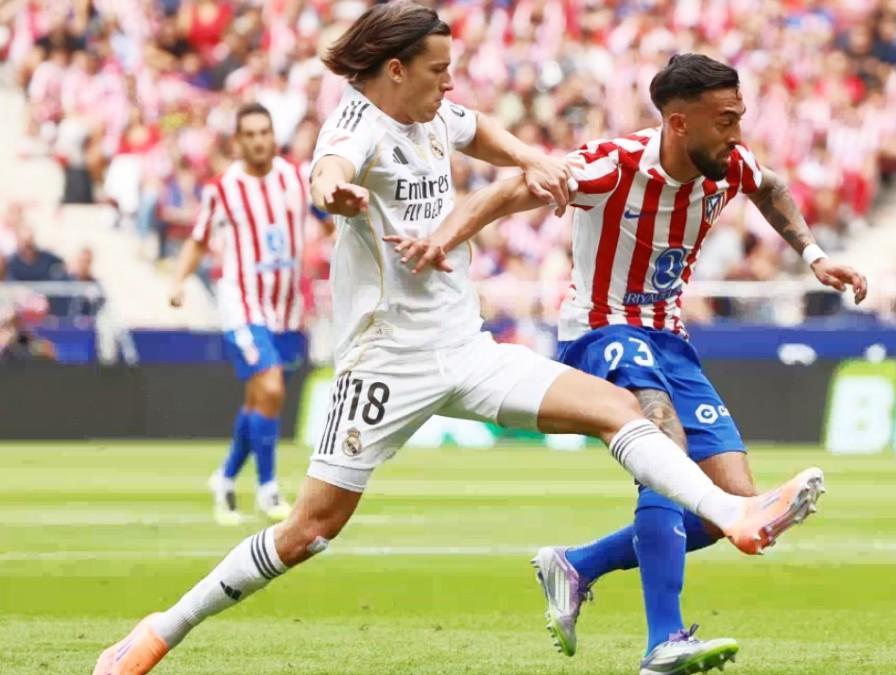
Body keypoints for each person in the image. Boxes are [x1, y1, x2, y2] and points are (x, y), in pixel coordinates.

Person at [93, 6, 821, 674]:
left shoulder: (433, 113)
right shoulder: (358, 126)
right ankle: (162, 628)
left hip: (467, 349)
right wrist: (334, 193)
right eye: (439, 69)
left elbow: (479, 130)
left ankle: (735, 514)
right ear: (396, 70)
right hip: (385, 362)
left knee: (617, 409)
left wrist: (530, 158)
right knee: (308, 531)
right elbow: (329, 169)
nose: (452, 81)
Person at [390, 53, 864, 675]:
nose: (737, 133)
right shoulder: (613, 166)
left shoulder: (729, 165)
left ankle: (576, 565)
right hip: (601, 328)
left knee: (733, 505)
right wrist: (442, 240)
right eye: (725, 120)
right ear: (677, 123)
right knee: (664, 452)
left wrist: (814, 256)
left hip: (670, 338)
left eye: (740, 117)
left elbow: (770, 188)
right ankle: (663, 640)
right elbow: (512, 187)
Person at [167, 103, 316, 526]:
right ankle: (268, 490)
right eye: (249, 134)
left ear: (273, 136)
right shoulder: (224, 189)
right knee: (270, 388)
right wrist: (178, 282)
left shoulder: (294, 178)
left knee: (260, 399)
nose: (257, 141)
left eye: (264, 132)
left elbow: (327, 212)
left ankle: (226, 477)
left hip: (287, 306)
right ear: (238, 141)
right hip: (242, 301)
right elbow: (198, 240)